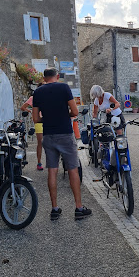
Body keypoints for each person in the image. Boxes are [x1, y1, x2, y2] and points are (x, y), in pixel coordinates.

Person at [32, 68, 92, 220]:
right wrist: (65, 115)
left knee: (52, 171)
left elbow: (36, 119)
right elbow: (75, 111)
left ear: (44, 78)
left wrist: (47, 119)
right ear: (57, 77)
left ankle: (54, 209)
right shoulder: (64, 87)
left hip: (48, 136)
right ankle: (78, 208)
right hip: (65, 134)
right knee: (73, 169)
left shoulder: (38, 92)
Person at [21, 84, 44, 171]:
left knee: (50, 142)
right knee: (40, 142)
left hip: (48, 121)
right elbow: (23, 107)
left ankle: (50, 162)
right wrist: (30, 111)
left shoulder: (49, 96)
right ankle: (39, 162)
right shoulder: (33, 98)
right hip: (38, 121)